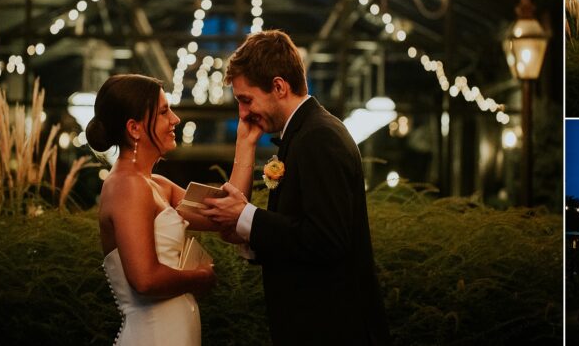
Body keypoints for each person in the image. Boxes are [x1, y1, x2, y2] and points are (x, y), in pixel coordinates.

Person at [201, 30, 391, 345]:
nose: (243, 114)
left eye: (246, 100)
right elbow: (301, 233)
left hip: (332, 330)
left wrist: (248, 217)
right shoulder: (303, 135)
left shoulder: (319, 137)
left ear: (278, 86)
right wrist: (247, 236)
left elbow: (327, 239)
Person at [90, 74, 258, 345]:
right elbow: (144, 280)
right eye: (164, 111)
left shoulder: (156, 185)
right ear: (135, 128)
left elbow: (228, 213)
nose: (175, 119)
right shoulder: (126, 186)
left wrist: (245, 142)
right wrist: (200, 277)